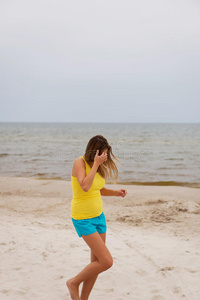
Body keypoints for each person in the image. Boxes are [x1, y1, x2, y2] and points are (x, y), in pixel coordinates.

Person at [66, 135, 127, 300]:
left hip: (99, 217)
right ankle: (73, 283)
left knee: (97, 262)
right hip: (82, 218)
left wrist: (115, 193)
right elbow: (85, 186)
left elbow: (98, 189)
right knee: (106, 261)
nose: (105, 158)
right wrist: (96, 164)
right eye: (103, 154)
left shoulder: (99, 168)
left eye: (106, 154)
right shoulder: (79, 162)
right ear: (95, 151)